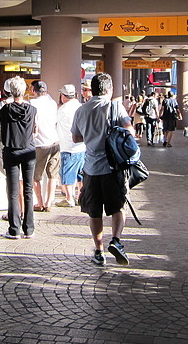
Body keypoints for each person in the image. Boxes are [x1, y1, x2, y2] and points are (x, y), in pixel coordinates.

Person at [71, 73, 134, 266]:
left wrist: (92, 137)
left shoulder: (81, 110)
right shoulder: (115, 106)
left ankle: (98, 251)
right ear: (108, 89)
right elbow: (129, 131)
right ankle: (116, 240)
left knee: (94, 212)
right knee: (118, 207)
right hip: (113, 168)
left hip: (90, 168)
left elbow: (75, 138)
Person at [0, 76, 37, 239]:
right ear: (24, 90)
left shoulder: (4, 111)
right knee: (28, 189)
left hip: (11, 151)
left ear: (10, 91)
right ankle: (29, 228)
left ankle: (14, 229)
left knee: (13, 192)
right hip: (28, 150)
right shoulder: (32, 110)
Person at [0, 79, 22, 218]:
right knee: (21, 180)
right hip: (24, 146)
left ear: (4, 91)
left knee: (9, 180)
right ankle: (23, 210)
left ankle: (12, 211)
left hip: (7, 146)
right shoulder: (27, 105)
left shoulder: (3, 105)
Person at [29, 80, 61, 212]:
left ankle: (39, 202)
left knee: (36, 176)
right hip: (55, 141)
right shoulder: (52, 103)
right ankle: (49, 202)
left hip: (40, 143)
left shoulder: (33, 103)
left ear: (33, 90)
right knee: (52, 174)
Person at [55, 84, 85, 207]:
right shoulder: (81, 107)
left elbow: (54, 122)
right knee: (80, 174)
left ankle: (69, 198)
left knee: (67, 174)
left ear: (63, 96)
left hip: (67, 146)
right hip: (82, 146)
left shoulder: (63, 109)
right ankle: (80, 197)